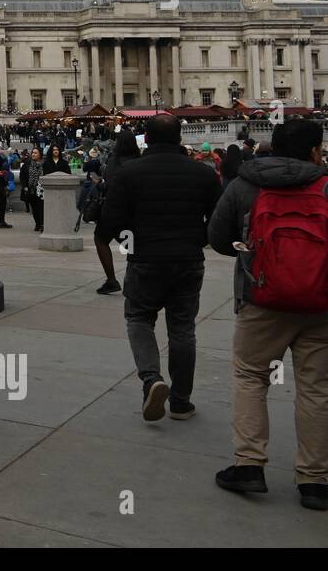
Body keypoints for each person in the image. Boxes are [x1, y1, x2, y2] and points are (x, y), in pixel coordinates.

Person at [208, 119, 328, 511]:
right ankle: (314, 479)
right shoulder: (326, 185)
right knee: (315, 387)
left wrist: (253, 256)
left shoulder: (246, 184)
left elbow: (217, 236)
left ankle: (250, 464)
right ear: (315, 151)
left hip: (261, 297)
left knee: (250, 376)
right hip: (321, 304)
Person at [96, 115, 221, 422]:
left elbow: (110, 223)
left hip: (146, 259)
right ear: (180, 137)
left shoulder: (129, 173)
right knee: (182, 329)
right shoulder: (202, 173)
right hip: (188, 259)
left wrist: (131, 243)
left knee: (139, 318)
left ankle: (152, 379)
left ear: (147, 140)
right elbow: (218, 220)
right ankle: (180, 402)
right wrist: (197, 239)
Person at [88, 131, 140, 294]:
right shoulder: (139, 161)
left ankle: (111, 280)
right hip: (133, 212)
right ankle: (134, 280)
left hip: (113, 211)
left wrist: (98, 183)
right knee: (131, 247)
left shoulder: (114, 162)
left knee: (101, 240)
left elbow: (110, 186)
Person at [19, 147, 45, 231]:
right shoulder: (27, 163)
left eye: (35, 153)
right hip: (31, 189)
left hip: (42, 190)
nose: (33, 154)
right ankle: (37, 223)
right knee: (34, 208)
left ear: (40, 154)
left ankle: (42, 224)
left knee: (41, 208)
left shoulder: (44, 164)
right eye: (33, 152)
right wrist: (25, 186)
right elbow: (22, 176)